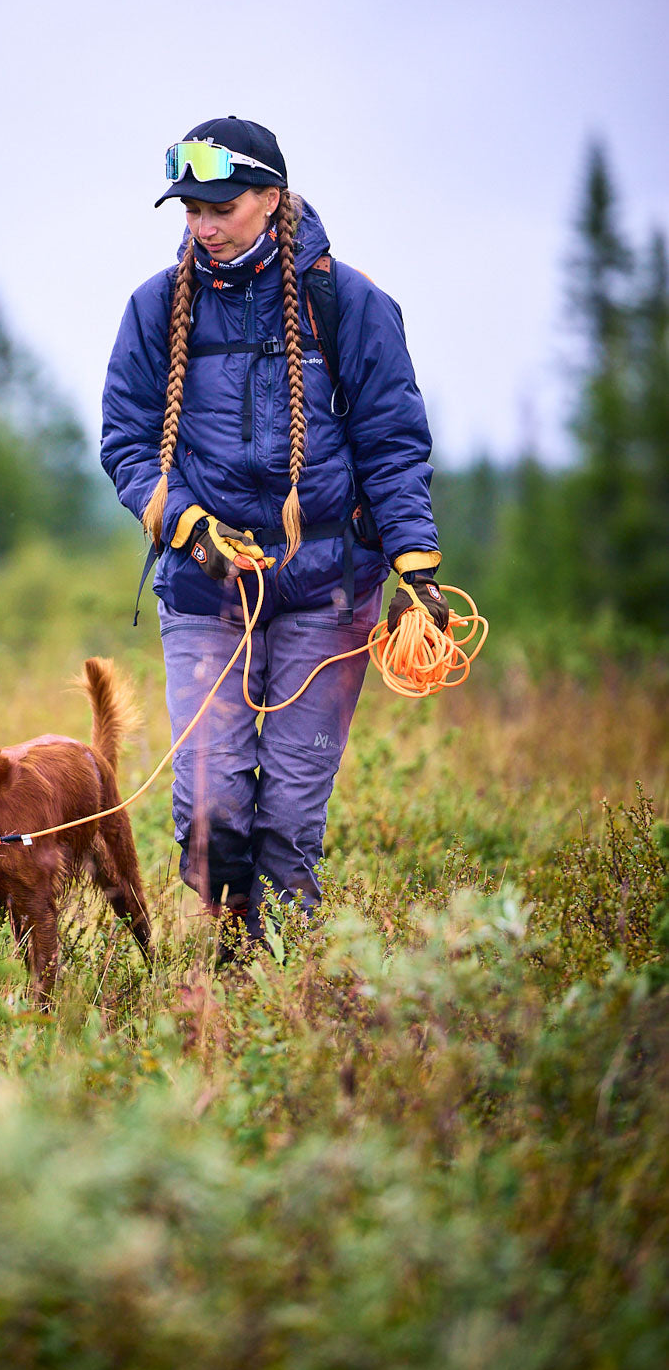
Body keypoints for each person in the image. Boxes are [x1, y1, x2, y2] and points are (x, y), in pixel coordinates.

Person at [100, 117, 447, 943]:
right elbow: (126, 444)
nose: (202, 226)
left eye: (219, 206)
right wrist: (189, 529)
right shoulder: (155, 308)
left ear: (270, 198)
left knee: (290, 812)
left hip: (329, 591)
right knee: (208, 803)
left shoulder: (350, 303)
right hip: (202, 588)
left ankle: (282, 985)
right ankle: (228, 953)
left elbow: (393, 446)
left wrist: (417, 567)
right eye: (189, 210)